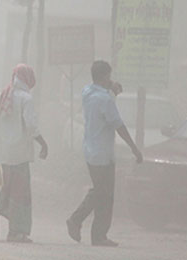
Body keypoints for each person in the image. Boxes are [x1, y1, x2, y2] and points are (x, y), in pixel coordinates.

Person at [66, 60, 143, 247]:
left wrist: (110, 87)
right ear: (103, 76)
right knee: (105, 195)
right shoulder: (105, 100)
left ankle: (94, 232)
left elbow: (100, 91)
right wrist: (134, 147)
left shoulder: (88, 93)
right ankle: (85, 226)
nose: (110, 79)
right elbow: (118, 125)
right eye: (108, 76)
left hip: (91, 150)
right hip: (103, 154)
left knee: (100, 191)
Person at [0, 64, 48, 243]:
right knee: (21, 192)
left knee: (9, 187)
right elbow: (31, 125)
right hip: (20, 153)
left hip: (4, 152)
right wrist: (43, 143)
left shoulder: (3, 95)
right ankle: (16, 231)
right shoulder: (26, 98)